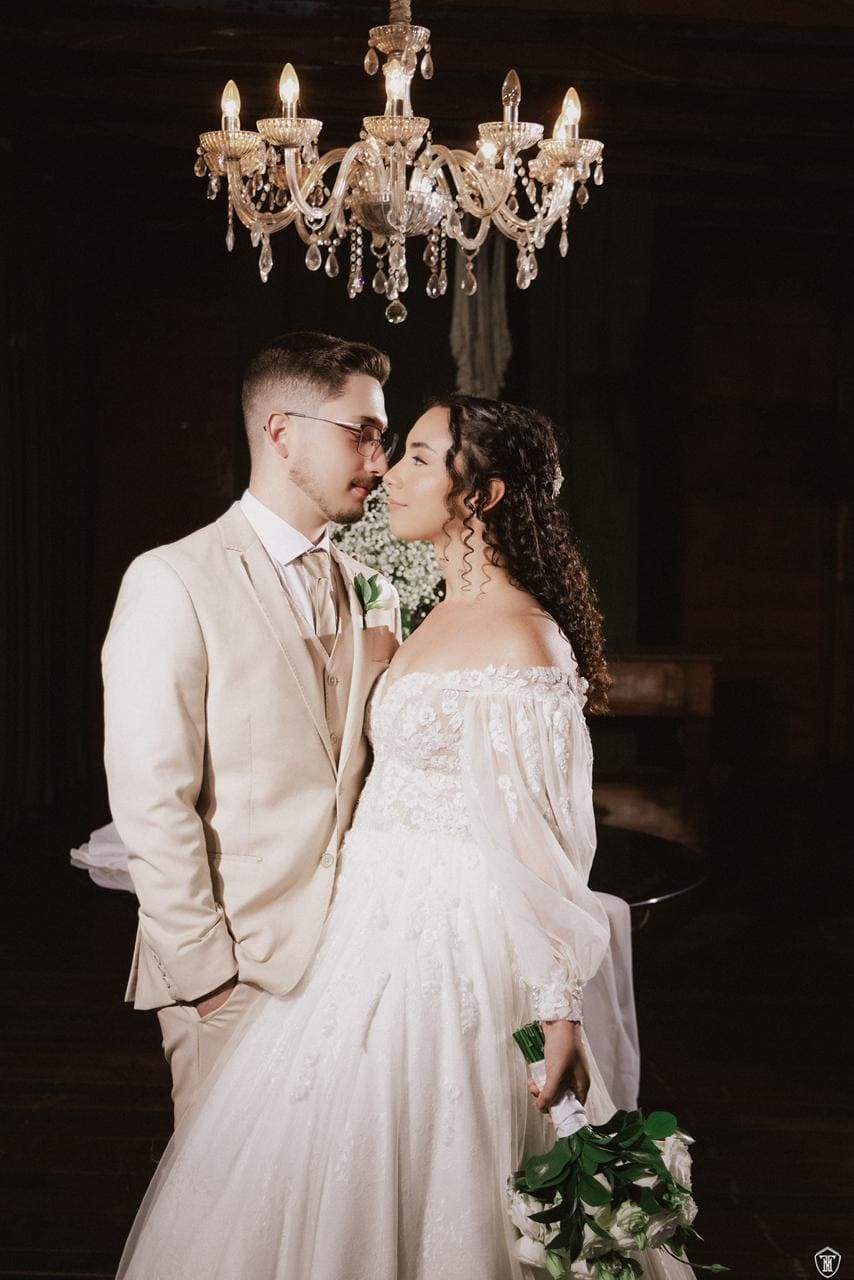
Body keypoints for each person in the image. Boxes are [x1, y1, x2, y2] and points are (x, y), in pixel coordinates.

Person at [115, 395, 695, 1280]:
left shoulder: (524, 640)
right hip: (360, 932)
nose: (389, 471)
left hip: (457, 947)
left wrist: (557, 1007)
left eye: (420, 457)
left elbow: (544, 846)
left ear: (483, 496)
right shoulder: (427, 613)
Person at [102, 332, 401, 1125]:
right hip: (233, 973)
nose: (379, 461)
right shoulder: (173, 580)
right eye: (362, 433)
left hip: (355, 965)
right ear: (281, 432)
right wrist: (209, 980)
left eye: (382, 437)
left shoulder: (374, 589)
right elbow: (152, 799)